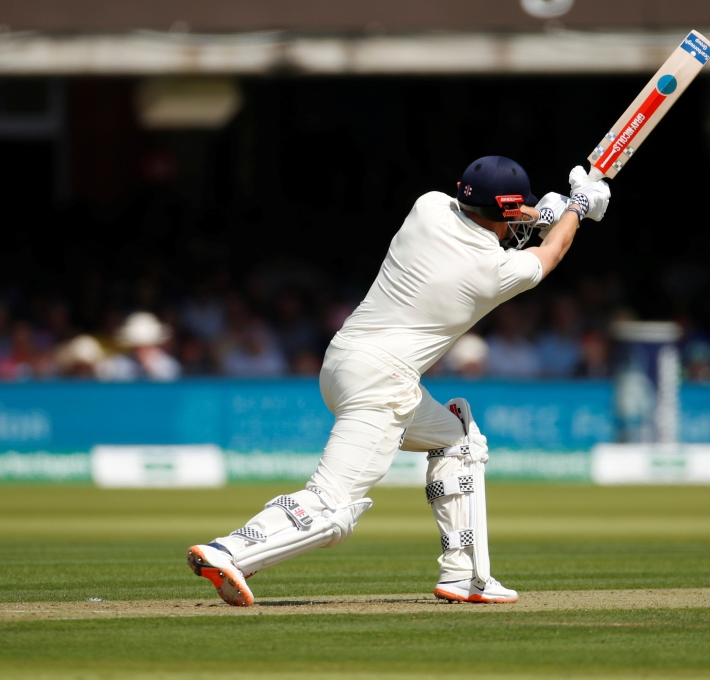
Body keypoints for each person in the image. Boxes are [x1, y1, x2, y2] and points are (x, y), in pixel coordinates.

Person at [186, 156, 610, 606]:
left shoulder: (427, 207)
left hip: (342, 362)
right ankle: (229, 550)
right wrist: (575, 209)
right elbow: (550, 254)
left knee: (458, 441)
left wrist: (547, 211)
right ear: (504, 209)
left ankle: (463, 575)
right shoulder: (493, 273)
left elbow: (498, 216)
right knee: (334, 507)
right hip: (382, 381)